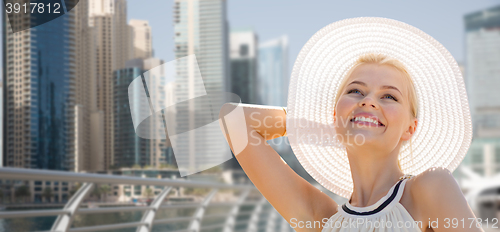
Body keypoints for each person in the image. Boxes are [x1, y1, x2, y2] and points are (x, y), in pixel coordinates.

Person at [218, 17, 482, 232]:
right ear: (334, 114)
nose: (368, 101)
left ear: (410, 128)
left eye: (389, 96)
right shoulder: (320, 219)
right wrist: (338, 125)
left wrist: (354, 122)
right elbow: (234, 119)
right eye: (356, 91)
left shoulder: (430, 189)